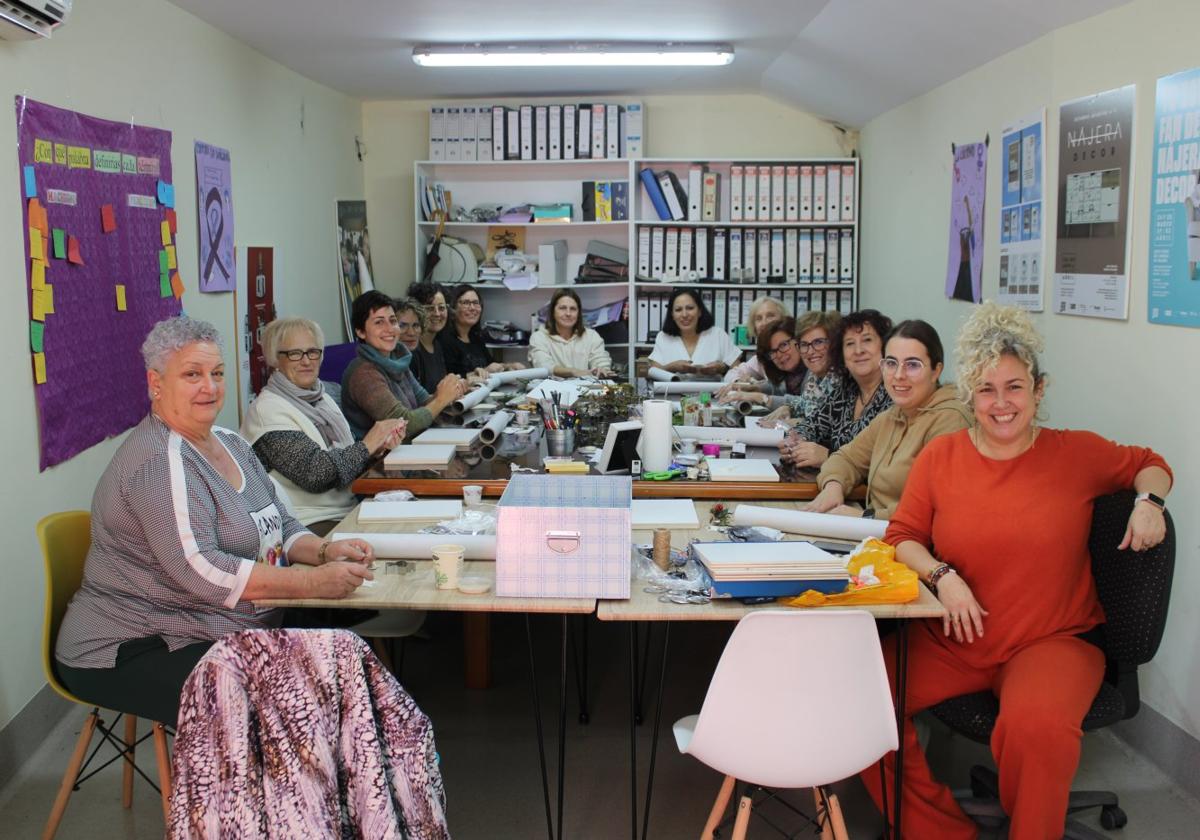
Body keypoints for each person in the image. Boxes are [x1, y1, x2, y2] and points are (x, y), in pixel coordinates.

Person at [860, 302, 1171, 839]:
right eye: (985, 389)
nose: (1001, 404)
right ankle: (940, 831)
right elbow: (903, 537)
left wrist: (1149, 503)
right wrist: (942, 576)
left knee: (1037, 730)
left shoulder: (1074, 453)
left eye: (1015, 387)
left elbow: (1152, 463)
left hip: (1051, 641)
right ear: (968, 394)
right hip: (956, 635)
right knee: (853, 701)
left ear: (1039, 390)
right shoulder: (942, 458)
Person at [54, 316, 377, 725]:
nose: (209, 386)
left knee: (348, 666)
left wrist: (325, 550)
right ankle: (267, 789)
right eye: (192, 374)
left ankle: (336, 786)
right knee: (295, 703)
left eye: (217, 373)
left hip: (222, 626)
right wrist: (312, 582)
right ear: (156, 383)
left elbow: (281, 521)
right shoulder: (157, 463)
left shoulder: (232, 443)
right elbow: (202, 569)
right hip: (137, 644)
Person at [241, 317, 406, 536]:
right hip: (306, 523)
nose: (306, 361)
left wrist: (379, 448)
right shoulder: (267, 410)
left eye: (313, 352)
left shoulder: (322, 397)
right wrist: (367, 445)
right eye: (294, 353)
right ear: (275, 360)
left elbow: (348, 460)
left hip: (346, 509)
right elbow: (316, 474)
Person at [804, 320, 970, 516]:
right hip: (874, 533)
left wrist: (865, 517)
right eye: (891, 363)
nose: (899, 375)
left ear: (936, 371)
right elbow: (846, 458)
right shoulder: (893, 416)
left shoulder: (951, 420)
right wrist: (833, 486)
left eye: (912, 365)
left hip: (909, 539)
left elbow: (937, 506)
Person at [778, 309, 894, 470]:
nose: (858, 350)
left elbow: (886, 464)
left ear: (885, 346)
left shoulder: (896, 394)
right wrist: (795, 440)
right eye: (850, 344)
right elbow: (813, 424)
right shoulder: (847, 389)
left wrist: (828, 457)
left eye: (867, 340)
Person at [340, 291, 464, 442]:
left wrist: (449, 391)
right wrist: (441, 399)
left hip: (409, 448)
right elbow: (404, 424)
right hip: (379, 461)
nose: (390, 328)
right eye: (379, 322)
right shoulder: (363, 374)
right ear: (360, 332)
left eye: (392, 321)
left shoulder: (398, 359)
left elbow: (424, 401)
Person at [729, 310, 841, 417]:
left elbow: (819, 415)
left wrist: (763, 398)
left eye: (783, 345)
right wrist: (756, 389)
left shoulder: (831, 373)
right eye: (772, 351)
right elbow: (807, 405)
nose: (779, 355)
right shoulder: (810, 374)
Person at [647, 289, 740, 378]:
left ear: (699, 311)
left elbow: (738, 370)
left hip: (712, 393)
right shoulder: (663, 337)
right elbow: (652, 373)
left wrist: (722, 368)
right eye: (678, 310)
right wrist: (671, 368)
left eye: (690, 308)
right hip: (671, 394)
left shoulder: (717, 334)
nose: (684, 315)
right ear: (672, 314)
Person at [441, 284, 525, 378]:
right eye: (466, 303)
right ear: (453, 308)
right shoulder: (445, 340)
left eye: (476, 303)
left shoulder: (476, 338)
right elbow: (449, 378)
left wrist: (508, 366)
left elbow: (491, 365)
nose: (472, 308)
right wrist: (483, 372)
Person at [528, 288, 614, 377]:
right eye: (562, 308)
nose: (568, 313)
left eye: (573, 309)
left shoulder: (591, 336)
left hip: (586, 389)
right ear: (553, 312)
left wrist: (601, 368)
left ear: (579, 313)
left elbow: (600, 359)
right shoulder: (539, 337)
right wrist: (573, 371)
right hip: (552, 390)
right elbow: (544, 366)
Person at [719, 296, 788, 388]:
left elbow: (784, 388)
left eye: (770, 316)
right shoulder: (762, 357)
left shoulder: (791, 349)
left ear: (783, 319)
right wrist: (740, 381)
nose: (764, 323)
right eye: (759, 318)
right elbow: (731, 374)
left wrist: (757, 385)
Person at [407, 280, 455, 392]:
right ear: (416, 311)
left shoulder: (437, 345)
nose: (437, 314)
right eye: (429, 308)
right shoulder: (412, 349)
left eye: (442, 308)